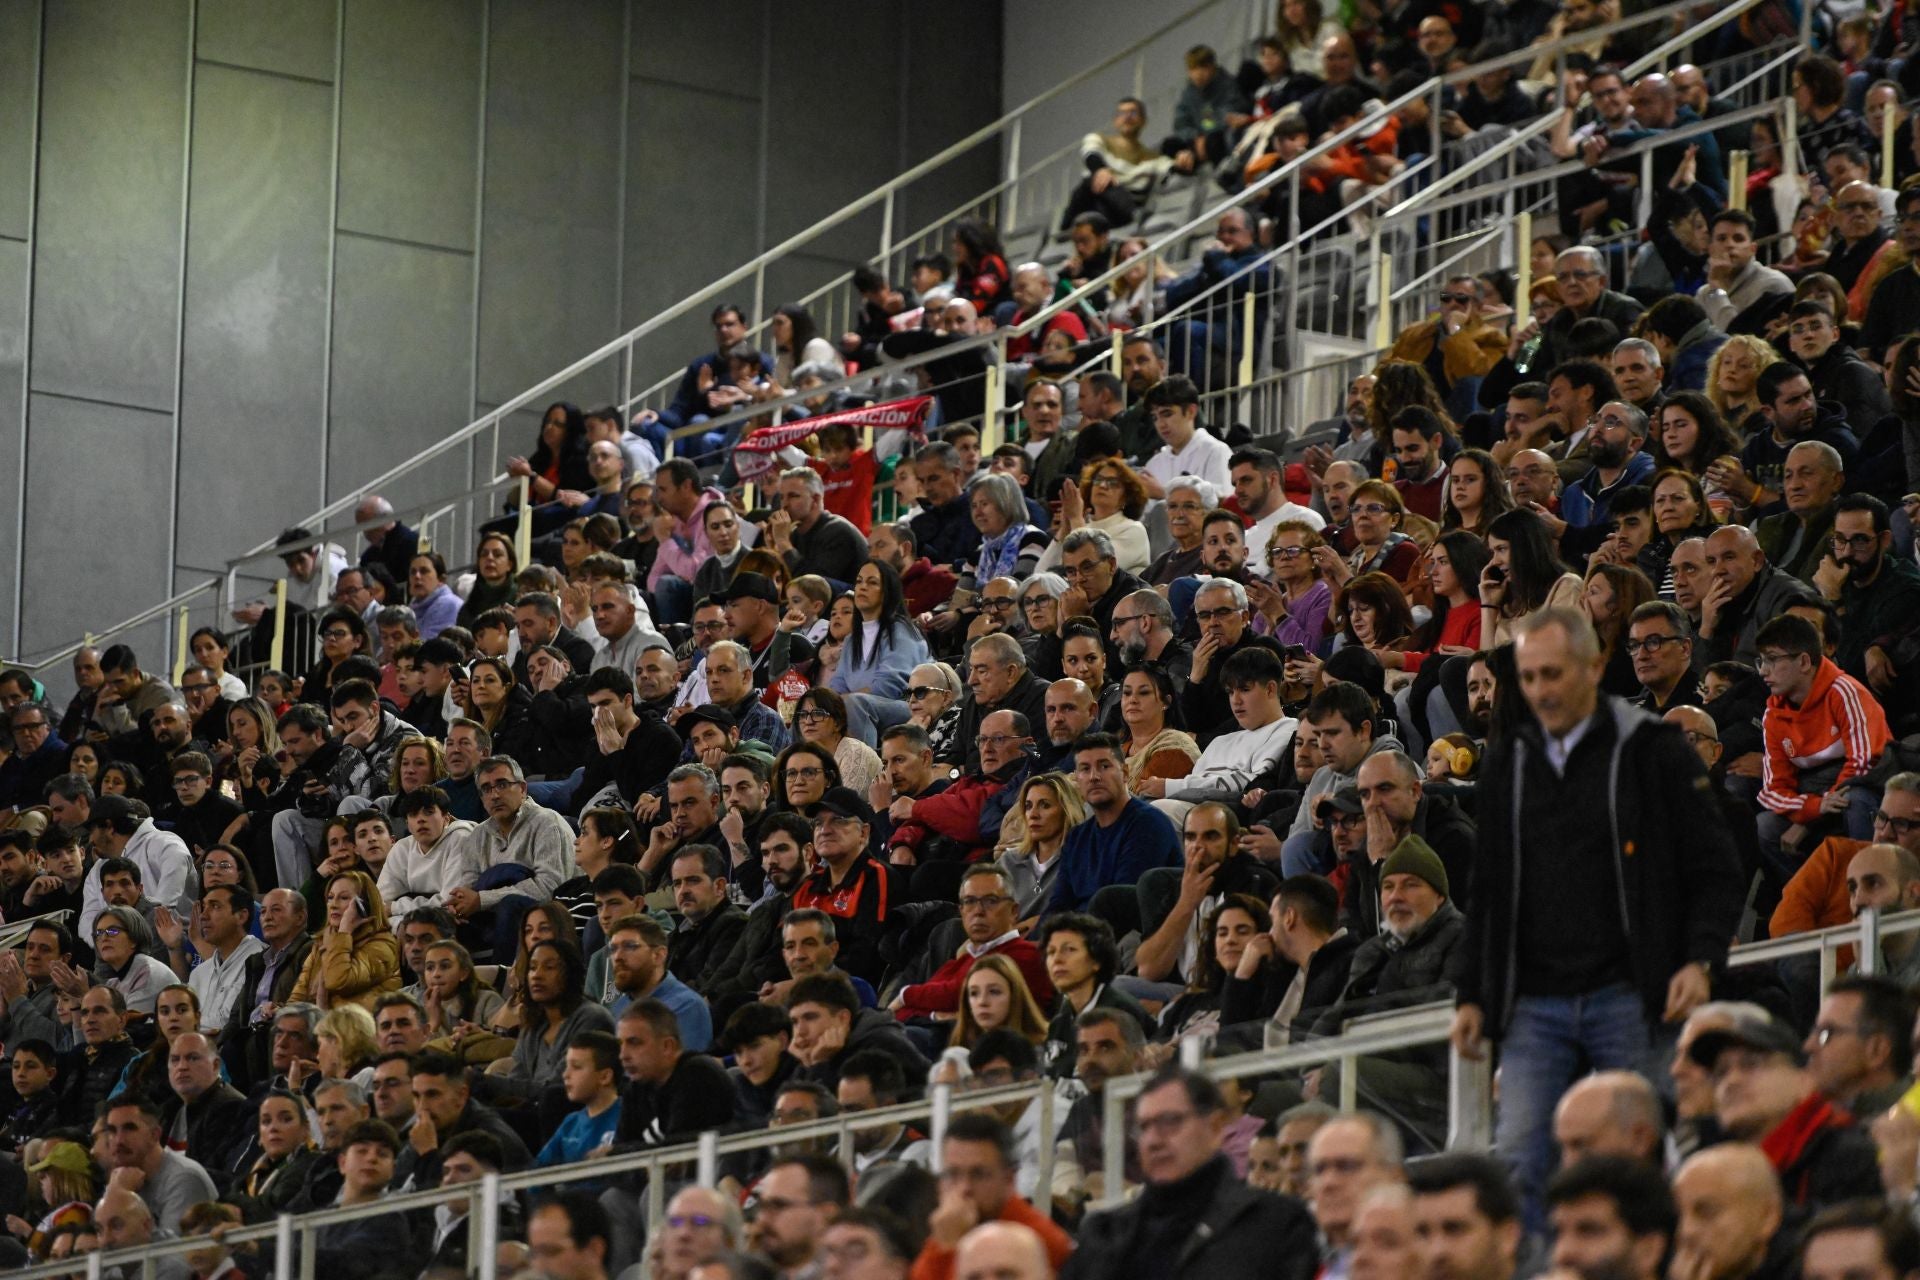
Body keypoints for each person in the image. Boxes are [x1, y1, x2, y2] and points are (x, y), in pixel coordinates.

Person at [1451, 608, 1743, 1232]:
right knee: (1525, 1163)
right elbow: (1490, 887)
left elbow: (1716, 869)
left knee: (1643, 1161)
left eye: (1553, 674)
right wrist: (1473, 993)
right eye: (1527, 677)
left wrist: (1700, 959)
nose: (1540, 691)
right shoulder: (1510, 760)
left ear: (1593, 667)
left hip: (1633, 994)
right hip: (1533, 1003)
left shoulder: (1653, 751)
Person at [1060, 1067, 1317, 1280]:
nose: (1153, 1141)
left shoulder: (1276, 1222)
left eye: (1169, 1122)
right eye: (1143, 1128)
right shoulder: (1105, 1234)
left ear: (1215, 1127)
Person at [1687, 1009, 1881, 1209]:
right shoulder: (1710, 1165)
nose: (1731, 1081)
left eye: (1751, 1064)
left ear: (1805, 1082)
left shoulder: (1846, 1157)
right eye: (1721, 1073)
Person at [911, 1114, 1073, 1280]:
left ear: (1009, 1179)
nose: (964, 1188)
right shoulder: (948, 1225)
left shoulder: (1039, 1241)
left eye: (979, 1174)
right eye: (953, 1174)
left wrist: (952, 1248)